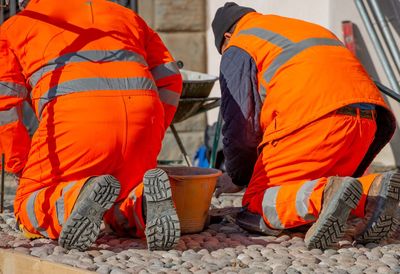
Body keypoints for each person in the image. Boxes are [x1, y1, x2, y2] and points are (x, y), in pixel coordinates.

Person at [212, 2, 399, 249]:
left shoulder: (239, 43)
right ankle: (372, 192)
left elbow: (241, 126)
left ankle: (322, 196)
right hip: (367, 122)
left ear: (226, 36)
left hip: (314, 122)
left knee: (256, 204)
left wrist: (238, 176)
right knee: (312, 189)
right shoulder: (295, 28)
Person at [0, 0, 182, 251]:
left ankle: (74, 200)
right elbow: (170, 77)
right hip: (143, 120)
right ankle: (140, 205)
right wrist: (153, 131)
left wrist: (19, 164)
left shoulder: (16, 26)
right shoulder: (125, 14)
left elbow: (5, 105)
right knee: (119, 195)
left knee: (28, 203)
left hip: (76, 124)